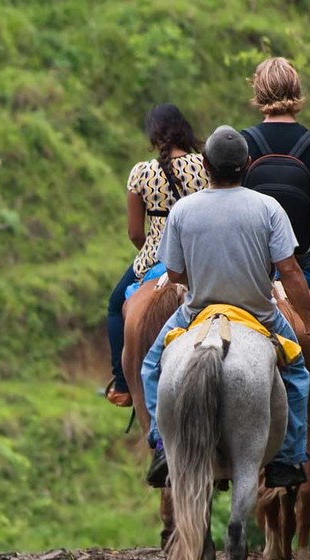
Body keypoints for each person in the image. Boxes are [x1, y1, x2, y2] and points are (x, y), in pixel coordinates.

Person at [142, 125, 310, 489]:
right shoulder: (268, 207)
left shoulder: (184, 210)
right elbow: (290, 271)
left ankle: (159, 446)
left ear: (205, 164)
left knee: (151, 365)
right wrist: (307, 316)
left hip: (196, 310)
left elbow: (174, 272)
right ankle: (288, 457)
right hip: (259, 312)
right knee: (297, 372)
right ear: (247, 164)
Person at [106, 104, 209, 407]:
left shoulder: (142, 173)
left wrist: (153, 255)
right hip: (199, 259)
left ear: (154, 135)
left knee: (114, 306)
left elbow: (136, 233)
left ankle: (123, 385)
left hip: (156, 258)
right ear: (183, 129)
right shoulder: (205, 165)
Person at [242, 56, 310, 283]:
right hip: (302, 261)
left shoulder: (243, 143)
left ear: (259, 91)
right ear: (295, 89)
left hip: (254, 265)